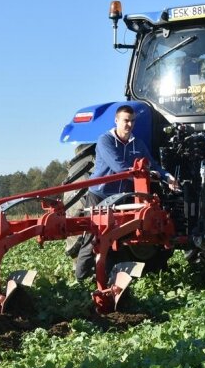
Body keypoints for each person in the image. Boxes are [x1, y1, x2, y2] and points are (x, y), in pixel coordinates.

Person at [75, 104, 176, 281]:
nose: (129, 125)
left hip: (122, 199)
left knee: (116, 241)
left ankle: (107, 278)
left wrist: (167, 177)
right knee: (92, 239)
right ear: (117, 121)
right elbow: (119, 168)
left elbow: (152, 163)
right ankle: (81, 279)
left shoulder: (137, 143)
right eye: (125, 121)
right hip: (101, 195)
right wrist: (148, 175)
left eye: (132, 121)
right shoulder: (105, 140)